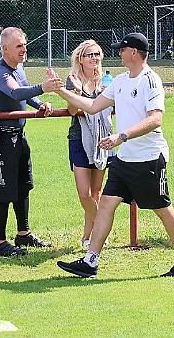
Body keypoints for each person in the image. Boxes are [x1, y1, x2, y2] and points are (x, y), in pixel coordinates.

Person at [51, 32, 174, 278]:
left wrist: (121, 137)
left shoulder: (150, 81)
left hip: (149, 158)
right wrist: (60, 91)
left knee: (162, 208)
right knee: (107, 204)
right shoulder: (120, 80)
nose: (118, 53)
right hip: (125, 159)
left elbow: (155, 119)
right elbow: (91, 105)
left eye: (122, 49)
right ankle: (90, 262)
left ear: (133, 52)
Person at [0, 26, 56, 256]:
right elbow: (16, 93)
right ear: (5, 48)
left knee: (24, 186)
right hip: (2, 139)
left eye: (25, 44)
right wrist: (43, 88)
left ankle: (23, 234)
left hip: (19, 137)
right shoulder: (0, 72)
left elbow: (27, 95)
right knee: (4, 191)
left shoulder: (19, 67)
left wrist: (40, 105)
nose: (24, 49)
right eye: (19, 46)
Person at [66, 39, 113, 248]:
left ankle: (89, 238)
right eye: (89, 55)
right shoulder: (73, 79)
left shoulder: (106, 81)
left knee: (96, 192)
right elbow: (72, 111)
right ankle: (103, 226)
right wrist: (77, 92)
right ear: (80, 59)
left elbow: (108, 106)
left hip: (102, 138)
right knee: (84, 193)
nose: (94, 58)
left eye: (97, 54)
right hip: (79, 138)